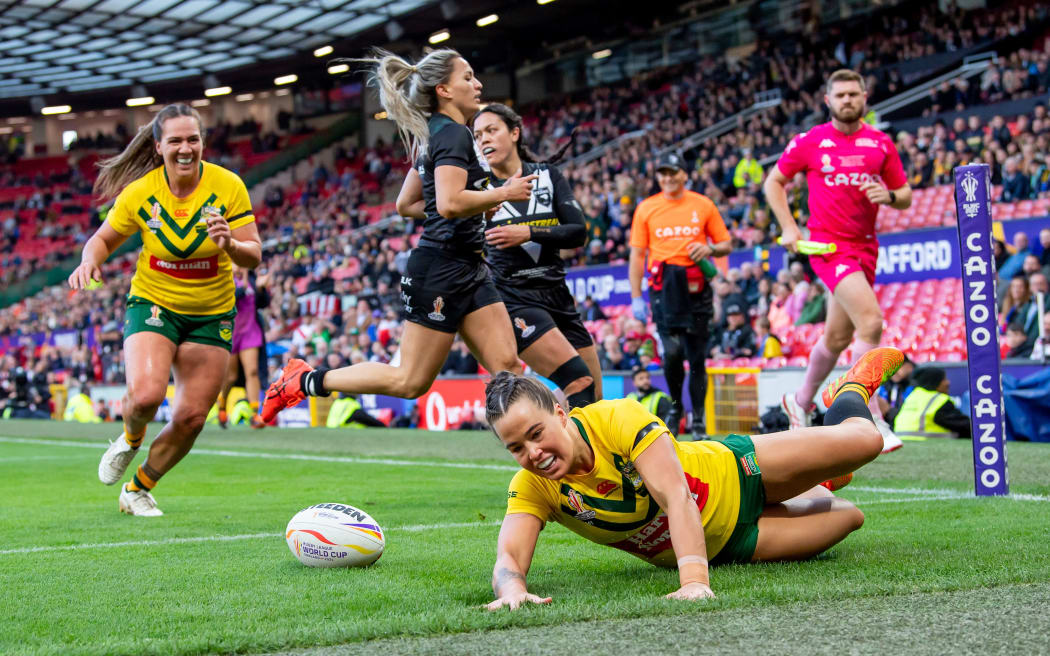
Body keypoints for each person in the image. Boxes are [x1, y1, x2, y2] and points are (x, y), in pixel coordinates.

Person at [484, 348, 904, 609]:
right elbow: (509, 558)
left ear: (560, 415)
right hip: (730, 546)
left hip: (738, 473)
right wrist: (512, 592)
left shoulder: (616, 418)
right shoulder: (533, 485)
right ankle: (823, 480)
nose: (532, 453)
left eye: (536, 434)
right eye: (516, 447)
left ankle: (847, 392)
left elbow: (677, 498)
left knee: (867, 442)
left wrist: (694, 583)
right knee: (850, 516)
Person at [262, 49, 531, 421]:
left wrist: (476, 208)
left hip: (469, 264)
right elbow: (449, 203)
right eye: (467, 76)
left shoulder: (436, 132)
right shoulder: (451, 133)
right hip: (442, 268)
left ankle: (537, 467)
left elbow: (408, 204)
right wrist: (501, 193)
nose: (478, 83)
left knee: (508, 368)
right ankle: (306, 380)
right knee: (409, 382)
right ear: (444, 89)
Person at [69, 103, 261, 516]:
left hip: (212, 312)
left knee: (192, 417)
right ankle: (130, 439)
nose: (185, 148)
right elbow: (101, 240)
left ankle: (138, 488)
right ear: (158, 146)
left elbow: (254, 256)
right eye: (175, 140)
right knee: (145, 397)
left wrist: (230, 245)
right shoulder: (140, 193)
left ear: (203, 143)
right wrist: (90, 261)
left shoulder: (228, 187)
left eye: (192, 139)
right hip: (154, 303)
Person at [765, 69, 912, 453]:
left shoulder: (880, 143)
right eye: (840, 95)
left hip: (866, 247)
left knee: (837, 338)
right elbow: (773, 182)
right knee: (872, 321)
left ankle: (799, 401)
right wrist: (791, 228)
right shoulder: (811, 141)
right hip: (830, 248)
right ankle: (870, 415)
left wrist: (889, 197)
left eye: (853, 94)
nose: (847, 100)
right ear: (828, 100)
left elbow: (905, 194)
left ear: (865, 96)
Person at [469, 102, 600, 406]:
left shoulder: (547, 176)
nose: (484, 139)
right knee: (579, 381)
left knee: (592, 397)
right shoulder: (478, 190)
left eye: (491, 130)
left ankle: (555, 437)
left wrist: (527, 232)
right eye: (478, 136)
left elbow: (578, 232)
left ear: (514, 132)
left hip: (557, 293)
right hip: (515, 299)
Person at [630, 152, 731, 439]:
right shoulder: (646, 208)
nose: (667, 178)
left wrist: (710, 249)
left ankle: (698, 420)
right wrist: (636, 296)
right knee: (672, 353)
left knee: (697, 357)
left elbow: (725, 243)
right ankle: (676, 408)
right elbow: (637, 255)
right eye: (662, 173)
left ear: (684, 175)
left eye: (673, 172)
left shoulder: (703, 204)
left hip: (697, 286)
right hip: (663, 288)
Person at [217, 264, 271, 429]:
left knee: (252, 371)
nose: (240, 267)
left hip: (251, 331)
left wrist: (262, 289)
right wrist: (245, 280)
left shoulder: (253, 280)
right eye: (237, 264)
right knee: (231, 376)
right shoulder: (225, 279)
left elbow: (262, 304)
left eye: (243, 264)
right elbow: (232, 297)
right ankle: (222, 404)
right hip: (230, 330)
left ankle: (255, 414)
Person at [893, 367, 971, 439]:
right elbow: (966, 426)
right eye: (944, 379)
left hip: (903, 443)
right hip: (925, 445)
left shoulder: (913, 395)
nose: (948, 383)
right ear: (935, 382)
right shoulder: (938, 400)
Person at [626, 366, 676, 433]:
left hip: (656, 436)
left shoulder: (660, 397)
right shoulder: (629, 397)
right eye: (641, 378)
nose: (645, 381)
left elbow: (667, 423)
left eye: (647, 378)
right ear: (634, 383)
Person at [875, 354, 915, 426]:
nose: (893, 372)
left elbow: (910, 418)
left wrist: (888, 410)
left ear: (909, 366)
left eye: (897, 367)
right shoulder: (887, 385)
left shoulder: (917, 386)